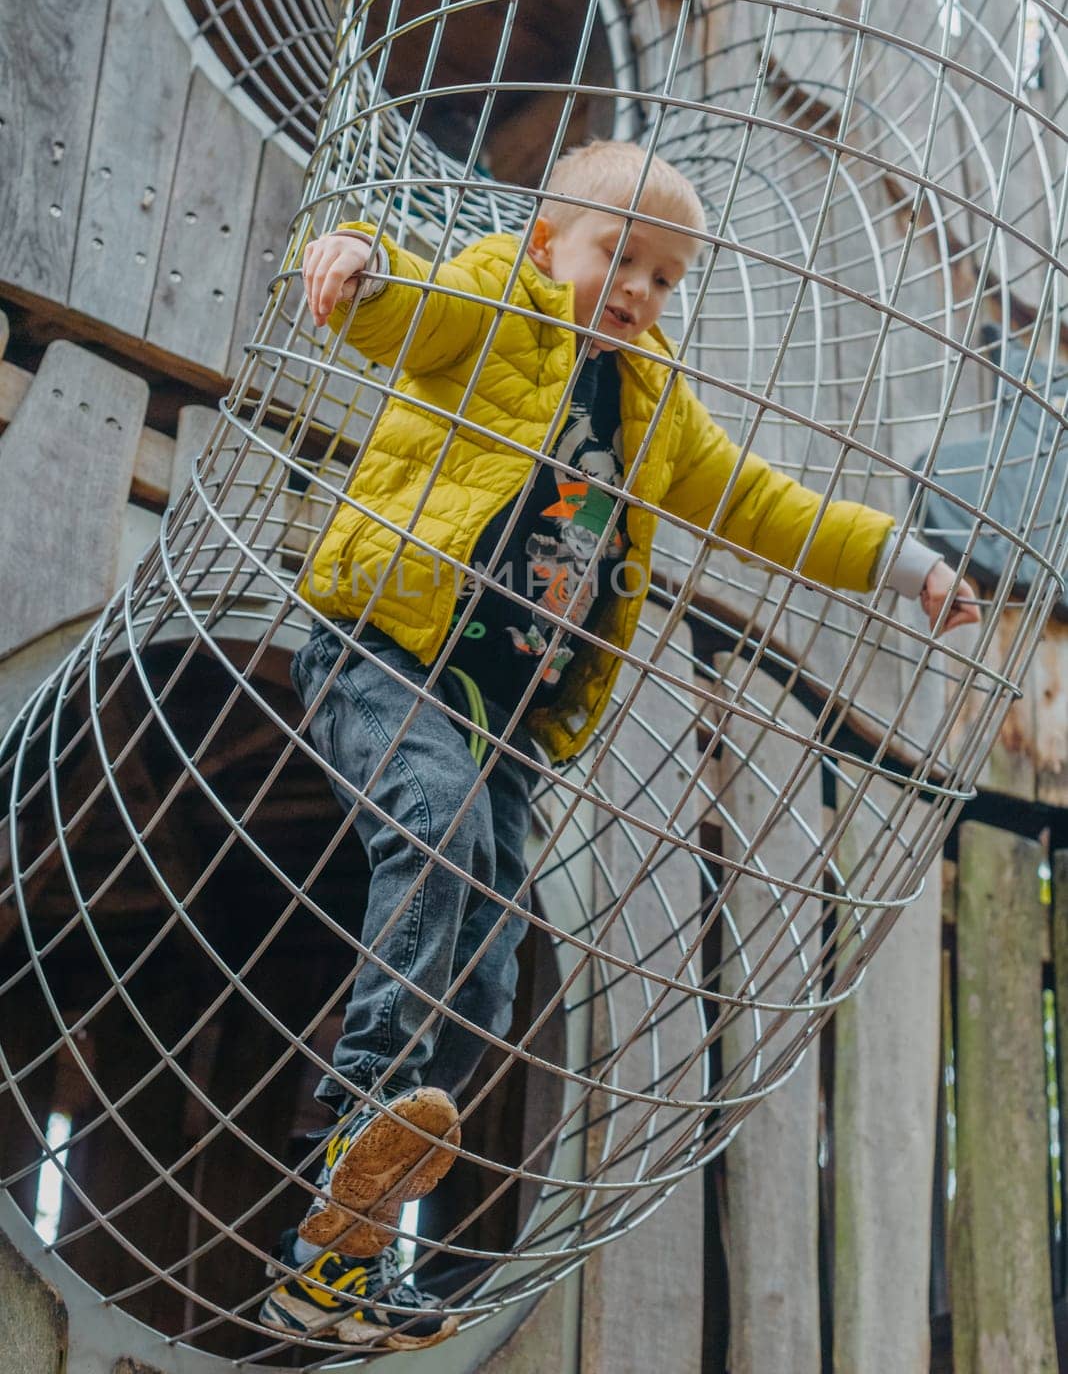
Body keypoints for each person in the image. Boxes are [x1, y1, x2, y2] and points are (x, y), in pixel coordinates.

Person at [260, 140, 979, 1344]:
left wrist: (905, 564)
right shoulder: (502, 300)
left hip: (506, 722)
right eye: (620, 258)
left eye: (665, 276)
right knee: (430, 841)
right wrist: (360, 261)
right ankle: (353, 1117)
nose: (640, 291)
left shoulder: (653, 405)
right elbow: (412, 311)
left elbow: (764, 504)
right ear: (552, 246)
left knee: (487, 962)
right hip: (386, 650)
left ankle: (345, 1248)